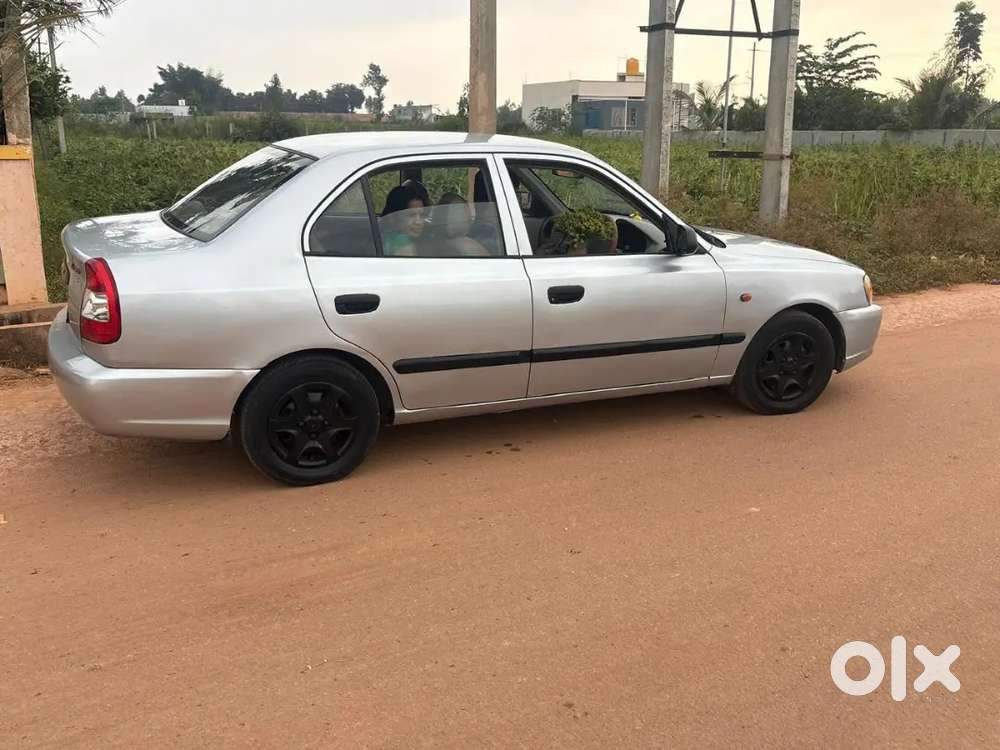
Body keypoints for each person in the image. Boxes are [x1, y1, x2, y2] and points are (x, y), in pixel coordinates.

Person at [380, 184, 428, 256]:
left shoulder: (382, 236)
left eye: (422, 215)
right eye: (411, 215)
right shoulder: (402, 242)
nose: (418, 222)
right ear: (394, 217)